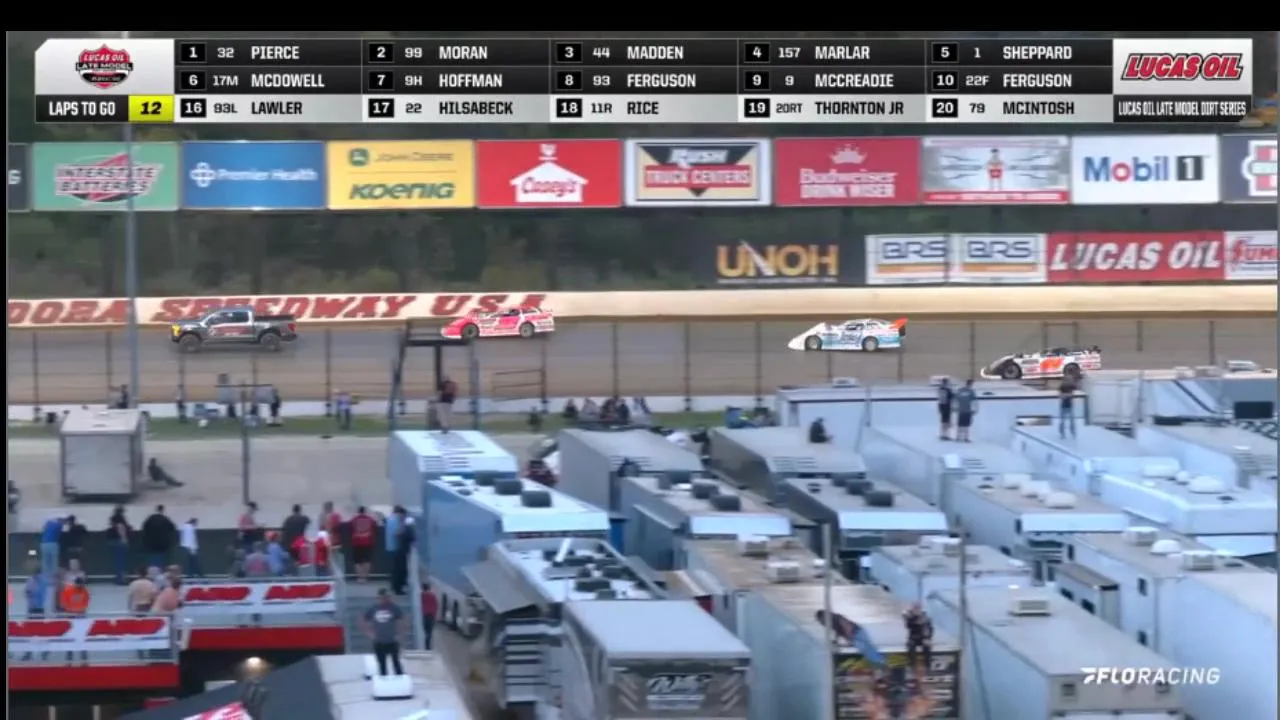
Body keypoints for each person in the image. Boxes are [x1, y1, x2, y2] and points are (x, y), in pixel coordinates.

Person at [363, 589, 405, 676]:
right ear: (380, 597)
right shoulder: (373, 608)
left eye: (388, 597)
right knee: (382, 665)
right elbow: (364, 620)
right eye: (385, 597)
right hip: (379, 641)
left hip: (392, 640)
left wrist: (399, 634)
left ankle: (400, 679)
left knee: (396, 662)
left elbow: (401, 621)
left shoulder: (394, 608)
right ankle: (384, 679)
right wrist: (370, 633)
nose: (387, 598)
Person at [60, 576, 91, 663]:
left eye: (82, 585)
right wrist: (72, 611)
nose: (80, 587)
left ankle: (84, 659)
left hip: (81, 618)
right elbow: (64, 603)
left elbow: (86, 603)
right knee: (70, 639)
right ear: (76, 584)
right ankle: (69, 659)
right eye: (79, 585)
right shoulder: (68, 590)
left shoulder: (85, 591)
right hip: (71, 618)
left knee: (82, 638)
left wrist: (80, 610)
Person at [349, 506, 377, 582]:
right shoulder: (370, 519)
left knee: (357, 561)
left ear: (358, 512)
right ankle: (365, 577)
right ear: (365, 511)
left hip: (357, 542)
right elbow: (375, 525)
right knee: (367, 560)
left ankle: (360, 577)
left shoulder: (354, 519)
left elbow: (350, 528)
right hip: (367, 542)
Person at [904, 603, 934, 673]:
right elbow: (908, 626)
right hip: (913, 637)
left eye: (918, 609)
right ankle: (912, 665)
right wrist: (914, 618)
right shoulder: (910, 616)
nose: (917, 610)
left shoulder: (925, 617)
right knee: (911, 646)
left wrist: (928, 638)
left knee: (927, 646)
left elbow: (930, 628)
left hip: (923, 637)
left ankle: (927, 665)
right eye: (915, 609)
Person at [107, 506, 132, 584]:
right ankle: (122, 579)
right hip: (119, 541)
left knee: (117, 561)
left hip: (112, 541)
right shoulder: (120, 518)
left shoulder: (113, 518)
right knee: (122, 561)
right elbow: (121, 527)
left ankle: (118, 578)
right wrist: (124, 539)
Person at [421, 582, 439, 650]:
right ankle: (427, 646)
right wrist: (435, 616)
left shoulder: (421, 596)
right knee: (429, 632)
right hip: (431, 615)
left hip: (425, 615)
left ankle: (425, 644)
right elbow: (436, 606)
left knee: (425, 630)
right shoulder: (433, 596)